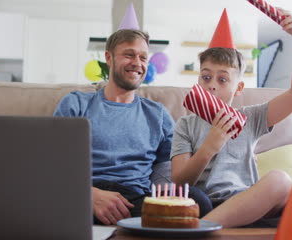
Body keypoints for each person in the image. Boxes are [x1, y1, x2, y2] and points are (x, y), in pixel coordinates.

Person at [54, 29, 212, 225]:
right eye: (129, 55)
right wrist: (89, 195)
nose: (137, 63)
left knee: (199, 202)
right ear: (109, 58)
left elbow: (166, 166)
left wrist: (163, 198)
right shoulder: (76, 104)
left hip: (136, 200)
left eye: (143, 57)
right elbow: (53, 163)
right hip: (84, 193)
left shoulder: (158, 114)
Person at [171, 8, 292, 228]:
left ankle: (199, 231)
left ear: (239, 88)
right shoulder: (185, 124)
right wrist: (209, 146)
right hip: (204, 204)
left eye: (223, 79)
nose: (212, 84)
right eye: (206, 76)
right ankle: (205, 227)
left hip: (248, 203)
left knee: (281, 180)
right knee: (192, 200)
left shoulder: (251, 118)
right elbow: (179, 181)